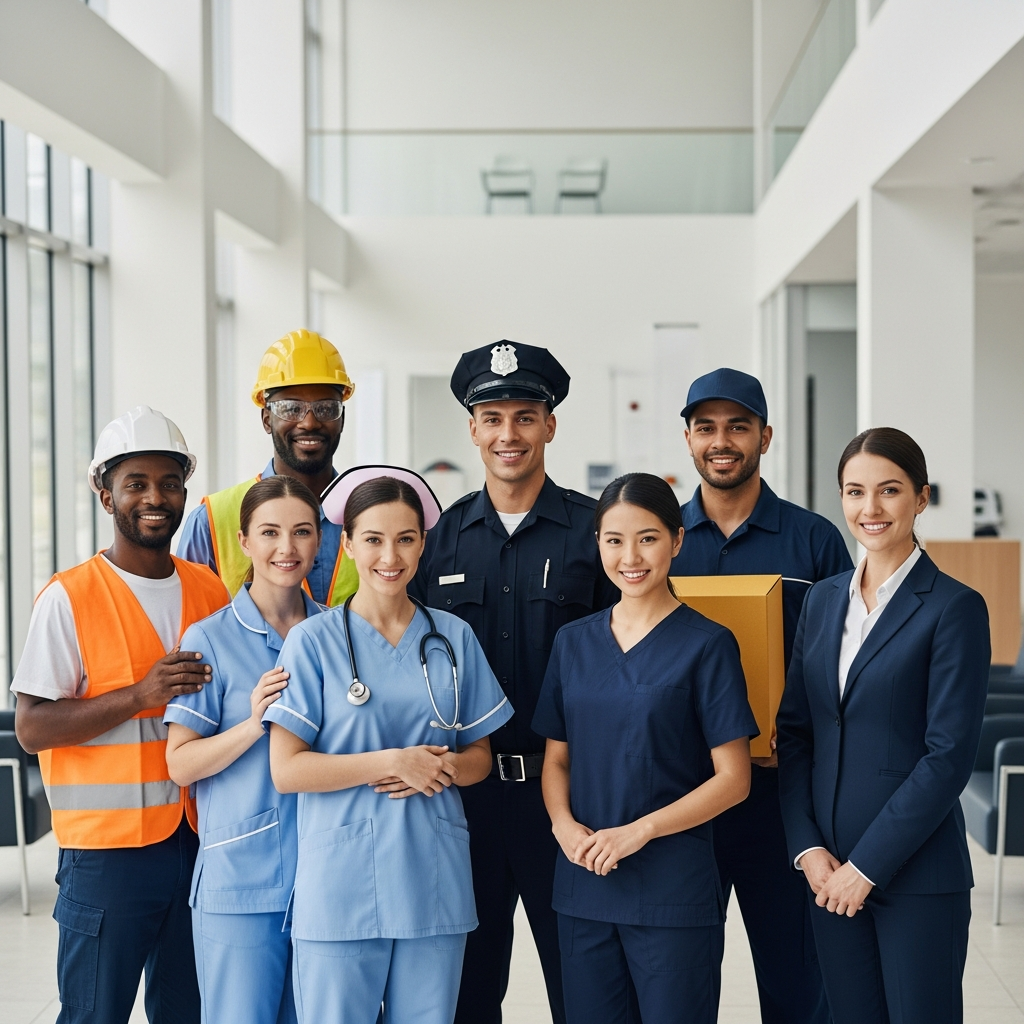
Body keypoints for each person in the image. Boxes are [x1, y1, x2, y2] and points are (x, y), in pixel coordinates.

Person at [409, 341, 618, 1024]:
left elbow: (637, 661)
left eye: (525, 417)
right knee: (465, 993)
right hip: (461, 804)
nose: (508, 434)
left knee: (585, 987)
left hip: (570, 799)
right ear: (471, 428)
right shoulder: (434, 544)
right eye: (492, 417)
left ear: (550, 425)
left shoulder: (598, 533)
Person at [264, 468, 514, 1024]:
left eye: (405, 538)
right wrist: (392, 762)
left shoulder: (452, 637)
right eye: (373, 539)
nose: (390, 556)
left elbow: (479, 759)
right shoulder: (313, 642)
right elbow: (287, 770)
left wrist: (440, 767)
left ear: (423, 544)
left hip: (433, 880)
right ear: (348, 544)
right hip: (341, 888)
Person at [12, 407, 229, 1024]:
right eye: (135, 483)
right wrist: (139, 695)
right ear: (105, 494)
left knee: (188, 1011)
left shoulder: (208, 589)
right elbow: (32, 728)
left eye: (168, 483)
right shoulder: (69, 597)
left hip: (194, 840)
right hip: (106, 855)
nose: (154, 498)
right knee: (93, 1014)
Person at [777, 428, 990, 1024]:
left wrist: (865, 868)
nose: (869, 510)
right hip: (827, 873)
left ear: (920, 498)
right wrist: (808, 848)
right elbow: (796, 734)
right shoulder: (821, 602)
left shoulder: (954, 607)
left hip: (917, 875)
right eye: (854, 492)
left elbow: (947, 757)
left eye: (889, 491)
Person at [532, 472, 757, 1023]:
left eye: (648, 538)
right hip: (585, 884)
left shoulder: (708, 644)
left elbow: (734, 778)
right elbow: (556, 757)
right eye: (614, 540)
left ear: (678, 542)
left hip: (671, 890)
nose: (630, 556)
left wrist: (642, 831)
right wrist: (562, 825)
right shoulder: (573, 642)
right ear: (598, 545)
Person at [668, 367, 852, 1024]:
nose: (722, 441)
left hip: (785, 799)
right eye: (707, 427)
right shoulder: (661, 543)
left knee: (798, 983)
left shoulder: (815, 541)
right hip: (685, 798)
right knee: (682, 986)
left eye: (738, 427)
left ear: (765, 437)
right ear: (688, 439)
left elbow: (847, 668)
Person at [163, 476, 326, 1024]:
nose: (288, 548)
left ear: (319, 542)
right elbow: (180, 763)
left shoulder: (340, 634)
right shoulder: (207, 639)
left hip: (330, 879)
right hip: (241, 884)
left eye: (302, 532)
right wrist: (254, 723)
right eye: (271, 532)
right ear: (244, 542)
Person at [178, 328, 359, 606]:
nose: (309, 423)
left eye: (325, 408)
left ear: (342, 419)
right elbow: (188, 625)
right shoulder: (212, 522)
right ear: (266, 419)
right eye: (290, 408)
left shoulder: (369, 513)